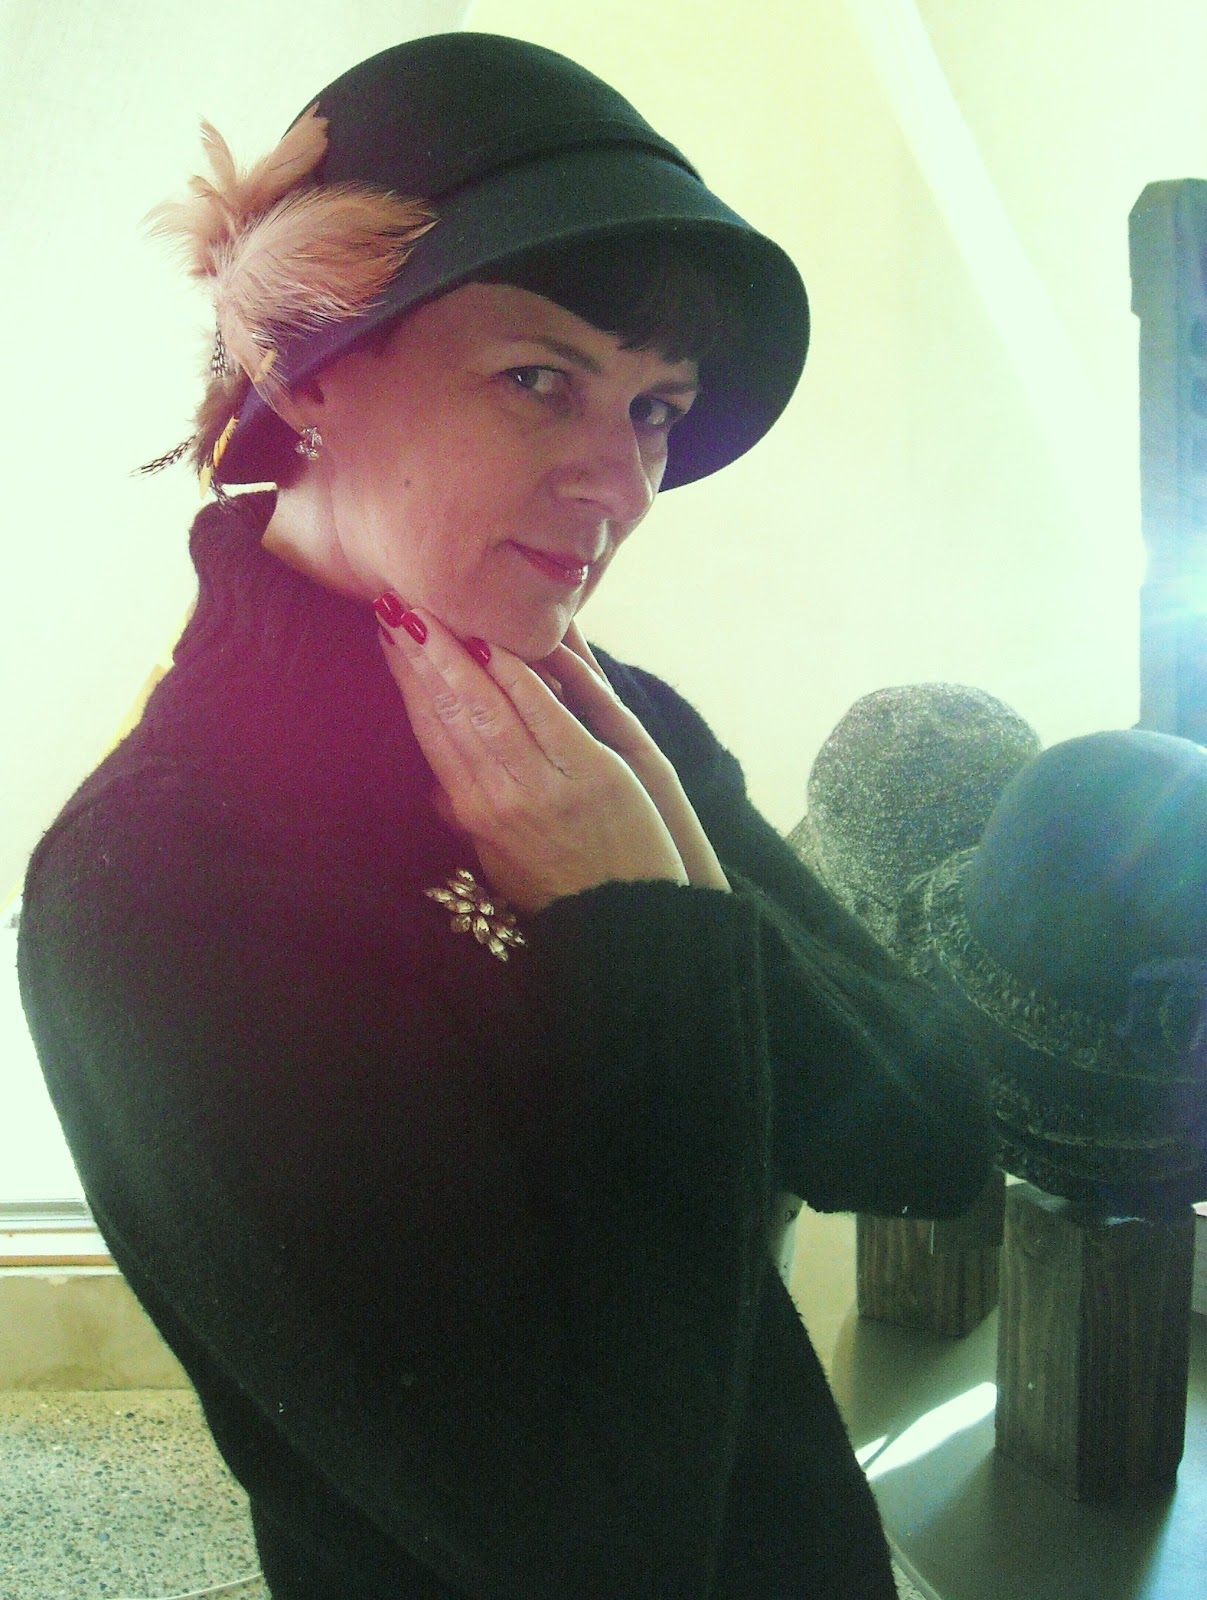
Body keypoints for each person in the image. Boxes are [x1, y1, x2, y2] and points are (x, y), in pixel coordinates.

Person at [17, 33, 991, 1599]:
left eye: (657, 408)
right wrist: (639, 949)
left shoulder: (610, 731)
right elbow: (585, 1551)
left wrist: (678, 877)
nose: (624, 485)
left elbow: (928, 1138)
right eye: (540, 380)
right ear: (314, 371)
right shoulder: (160, 885)